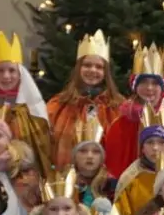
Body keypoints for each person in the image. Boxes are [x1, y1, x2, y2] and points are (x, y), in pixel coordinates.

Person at [104, 44, 164, 177]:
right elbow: (113, 166)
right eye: (143, 82)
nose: (149, 88)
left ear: (163, 87)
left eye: (155, 83)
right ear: (135, 86)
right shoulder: (120, 125)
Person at [0, 31, 54, 178]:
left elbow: (43, 146)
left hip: (25, 176)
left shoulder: (33, 108)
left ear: (20, 73)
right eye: (0, 70)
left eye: (11, 70)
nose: (6, 76)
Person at [47, 30, 125, 170]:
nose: (93, 70)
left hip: (106, 181)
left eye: (99, 67)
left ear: (105, 73)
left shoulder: (119, 106)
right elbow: (47, 143)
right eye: (87, 65)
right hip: (67, 179)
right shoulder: (58, 104)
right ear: (78, 68)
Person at [113, 105, 164, 215]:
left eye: (162, 142)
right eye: (149, 142)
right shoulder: (130, 178)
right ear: (142, 148)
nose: (155, 148)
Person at [70, 118, 118, 208]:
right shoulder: (66, 182)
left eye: (96, 152)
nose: (90, 156)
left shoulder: (113, 184)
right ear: (74, 156)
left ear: (102, 157)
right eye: (83, 151)